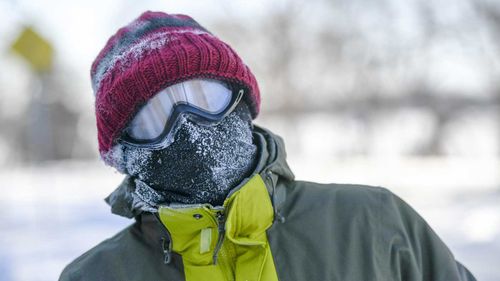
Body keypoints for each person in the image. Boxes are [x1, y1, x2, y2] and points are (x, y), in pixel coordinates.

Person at [59, 10, 477, 281]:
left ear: (242, 101)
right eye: (154, 117)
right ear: (124, 153)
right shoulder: (96, 276)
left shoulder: (374, 226)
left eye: (205, 98)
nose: (188, 127)